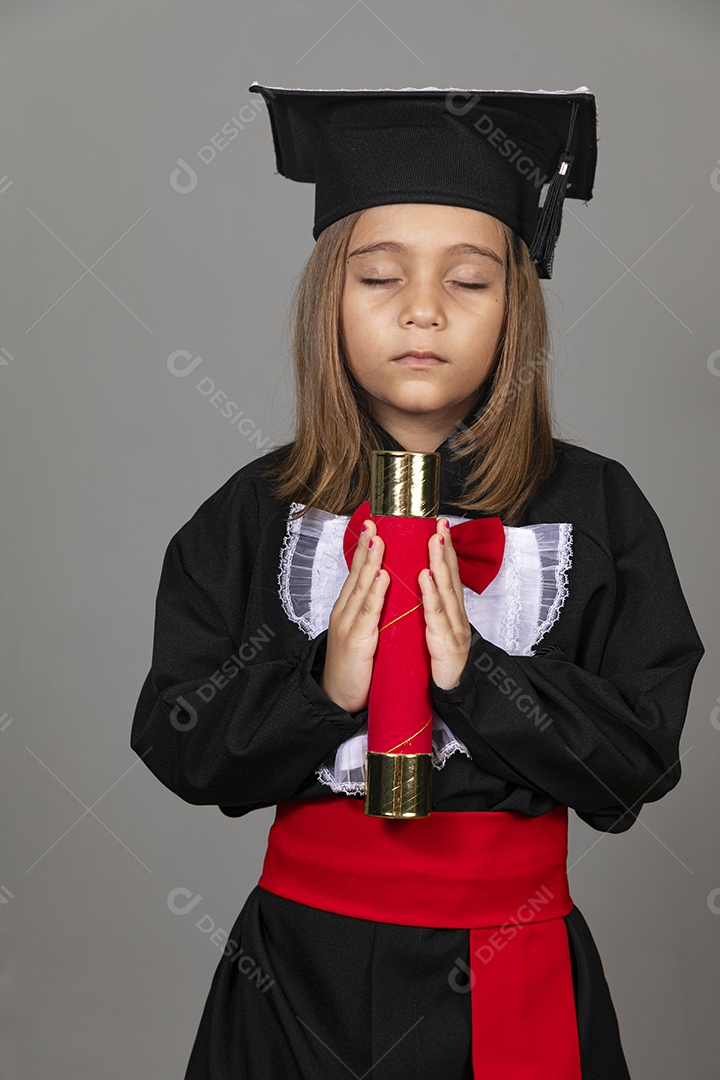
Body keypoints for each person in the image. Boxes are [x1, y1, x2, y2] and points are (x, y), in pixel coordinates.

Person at [130, 83, 705, 1079]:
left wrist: (474, 671)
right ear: (327, 297)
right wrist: (326, 685)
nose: (424, 310)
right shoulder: (253, 512)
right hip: (294, 975)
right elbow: (181, 745)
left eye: (472, 282)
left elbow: (633, 771)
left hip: (509, 958)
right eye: (379, 277)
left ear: (516, 307)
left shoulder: (598, 510)